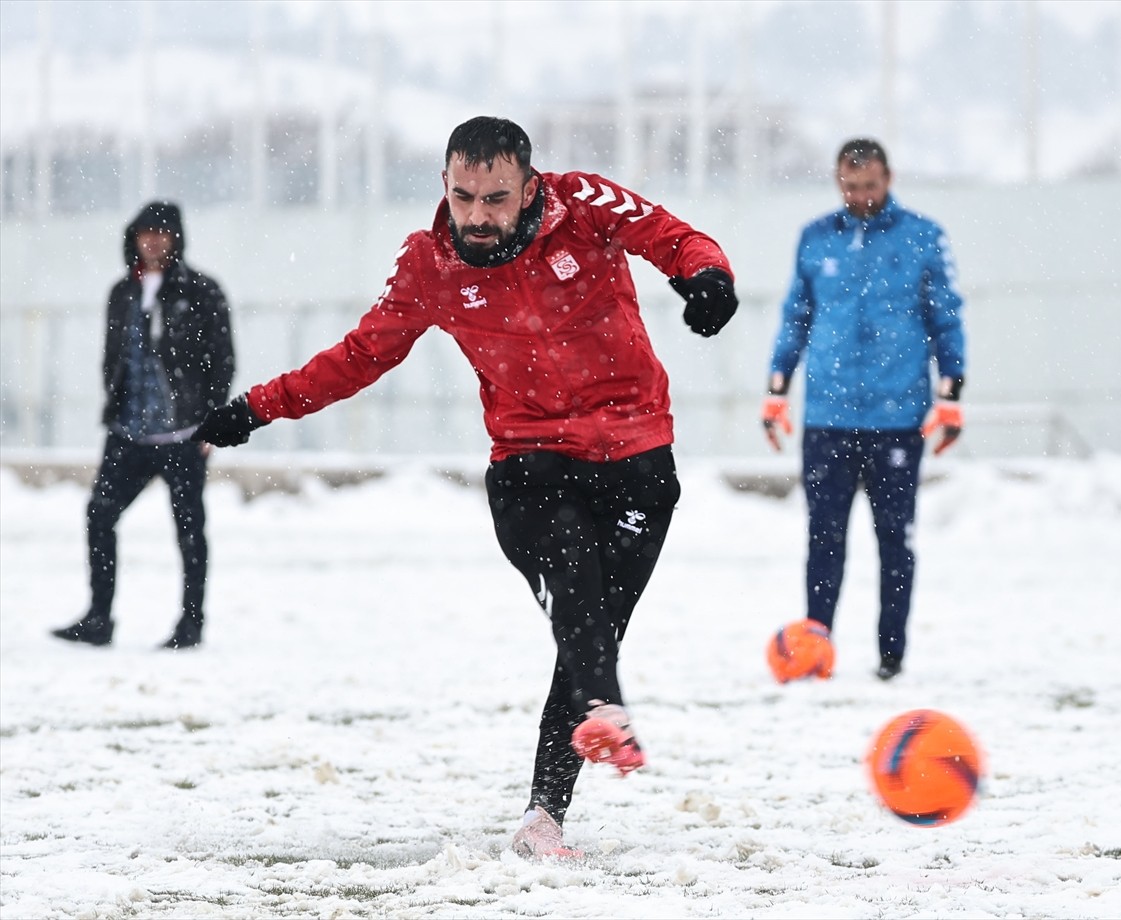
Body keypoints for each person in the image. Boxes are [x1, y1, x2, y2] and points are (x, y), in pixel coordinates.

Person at [191, 116, 738, 857]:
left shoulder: (585, 205)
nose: (477, 216)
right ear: (445, 187)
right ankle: (605, 708)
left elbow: (675, 238)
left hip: (637, 460)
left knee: (592, 635)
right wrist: (259, 407)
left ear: (530, 189)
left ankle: (544, 816)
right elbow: (360, 356)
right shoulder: (431, 264)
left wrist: (707, 279)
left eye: (496, 199)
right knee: (575, 588)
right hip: (530, 465)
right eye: (463, 197)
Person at [761, 138, 966, 682]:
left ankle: (891, 657)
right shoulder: (815, 238)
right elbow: (795, 317)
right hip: (826, 418)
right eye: (850, 186)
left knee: (895, 541)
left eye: (870, 185)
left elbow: (946, 319)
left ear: (888, 178)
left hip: (898, 418)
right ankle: (815, 650)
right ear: (838, 181)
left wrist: (951, 396)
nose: (860, 196)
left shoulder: (923, 236)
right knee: (823, 539)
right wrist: (777, 389)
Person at [51, 201, 235, 651]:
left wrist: (213, 421)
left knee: (189, 530)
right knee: (99, 515)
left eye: (161, 232)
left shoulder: (202, 290)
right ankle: (99, 617)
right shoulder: (122, 292)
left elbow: (222, 359)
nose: (152, 240)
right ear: (133, 238)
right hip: (128, 432)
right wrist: (115, 405)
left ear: (176, 238)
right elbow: (111, 357)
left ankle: (191, 624)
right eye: (144, 232)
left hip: (184, 433)